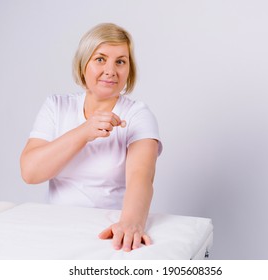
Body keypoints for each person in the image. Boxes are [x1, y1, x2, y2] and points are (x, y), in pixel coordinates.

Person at [20, 23, 162, 252]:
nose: (110, 70)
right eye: (100, 59)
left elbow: (141, 177)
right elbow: (30, 172)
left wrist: (129, 224)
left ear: (129, 69)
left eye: (120, 61)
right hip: (56, 229)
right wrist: (84, 131)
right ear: (83, 63)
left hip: (107, 232)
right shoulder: (56, 106)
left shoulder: (138, 115)